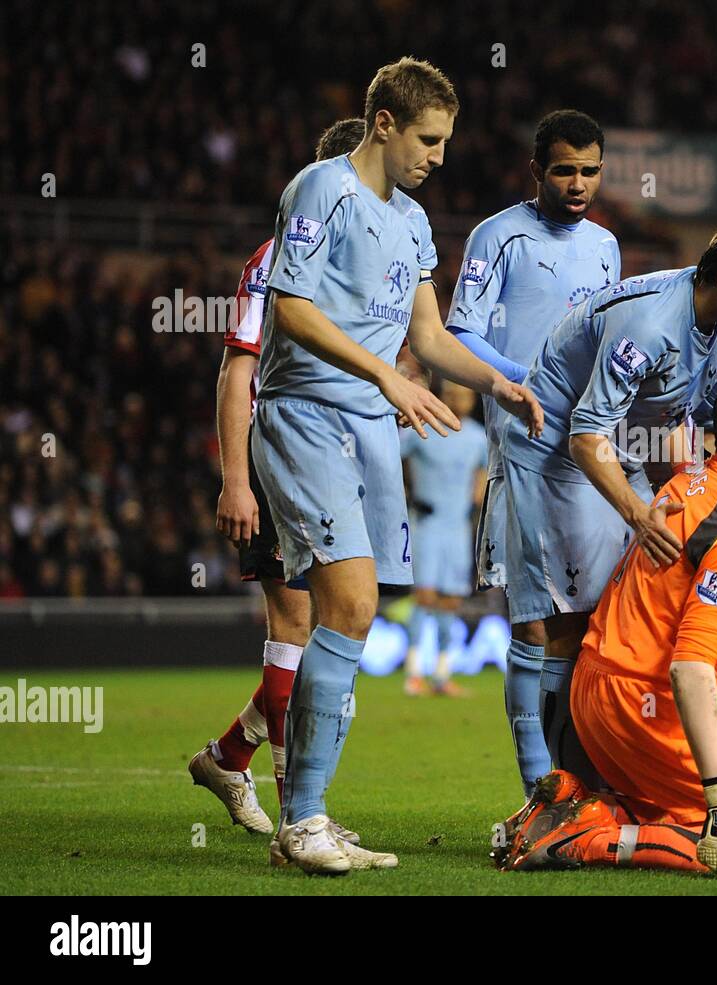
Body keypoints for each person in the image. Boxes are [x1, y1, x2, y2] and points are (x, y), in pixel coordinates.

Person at [252, 57, 543, 875]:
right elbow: (292, 307)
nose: (439, 155)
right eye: (429, 138)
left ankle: (307, 814)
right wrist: (379, 373)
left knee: (360, 609)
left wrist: (500, 384)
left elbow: (429, 336)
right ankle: (301, 816)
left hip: (372, 425)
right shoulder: (321, 189)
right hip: (306, 413)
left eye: (445, 140)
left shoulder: (413, 221)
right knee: (345, 598)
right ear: (384, 123)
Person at [499, 211, 717, 789]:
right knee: (566, 622)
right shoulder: (650, 324)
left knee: (640, 600)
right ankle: (550, 791)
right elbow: (586, 433)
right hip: (554, 452)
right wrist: (639, 513)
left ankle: (615, 773)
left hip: (625, 450)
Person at [501, 382, 717, 874]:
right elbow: (690, 669)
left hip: (596, 686)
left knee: (710, 823)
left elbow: (676, 590)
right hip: (645, 705)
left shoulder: (686, 484)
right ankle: (589, 837)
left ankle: (578, 808)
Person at [191, 118, 371, 840]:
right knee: (301, 627)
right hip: (279, 454)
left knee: (333, 627)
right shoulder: (276, 259)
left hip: (336, 457)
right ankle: (303, 812)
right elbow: (238, 368)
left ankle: (230, 757)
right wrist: (235, 478)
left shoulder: (370, 254)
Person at [444, 110, 619, 795]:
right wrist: (523, 378)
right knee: (534, 619)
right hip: (522, 442)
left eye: (590, 171)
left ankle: (573, 776)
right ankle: (535, 785)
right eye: (564, 170)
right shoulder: (498, 236)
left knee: (581, 619)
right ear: (536, 171)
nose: (578, 184)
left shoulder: (606, 245)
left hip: (588, 446)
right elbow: (460, 331)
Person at [397, 380, 488, 697]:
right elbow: (393, 458)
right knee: (424, 597)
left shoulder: (478, 437)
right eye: (451, 394)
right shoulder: (421, 429)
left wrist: (477, 496)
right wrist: (407, 492)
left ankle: (442, 675)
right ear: (441, 397)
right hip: (427, 525)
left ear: (472, 399)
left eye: (463, 394)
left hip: (458, 529)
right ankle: (413, 675)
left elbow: (484, 476)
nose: (457, 400)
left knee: (450, 601)